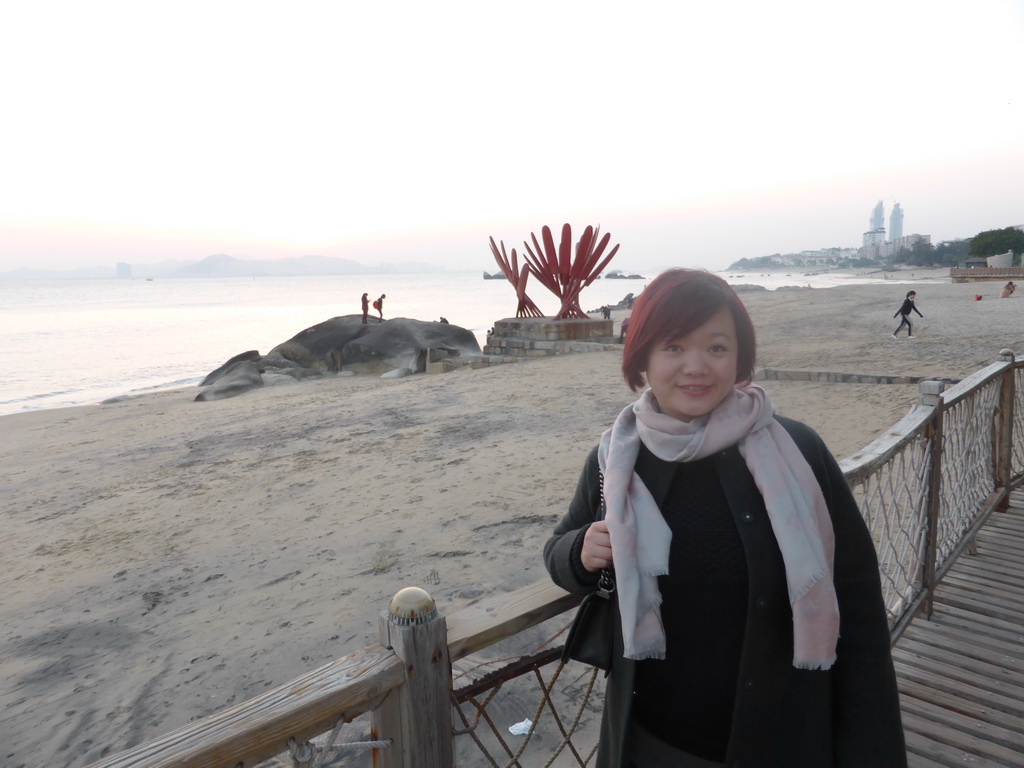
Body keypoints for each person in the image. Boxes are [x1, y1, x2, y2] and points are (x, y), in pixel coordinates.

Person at [544, 269, 906, 767]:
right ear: (642, 357)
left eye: (716, 348)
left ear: (739, 358)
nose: (696, 367)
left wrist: (871, 747)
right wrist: (580, 552)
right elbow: (560, 548)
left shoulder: (797, 451)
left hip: (782, 739)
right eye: (673, 347)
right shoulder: (616, 458)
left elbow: (858, 604)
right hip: (652, 740)